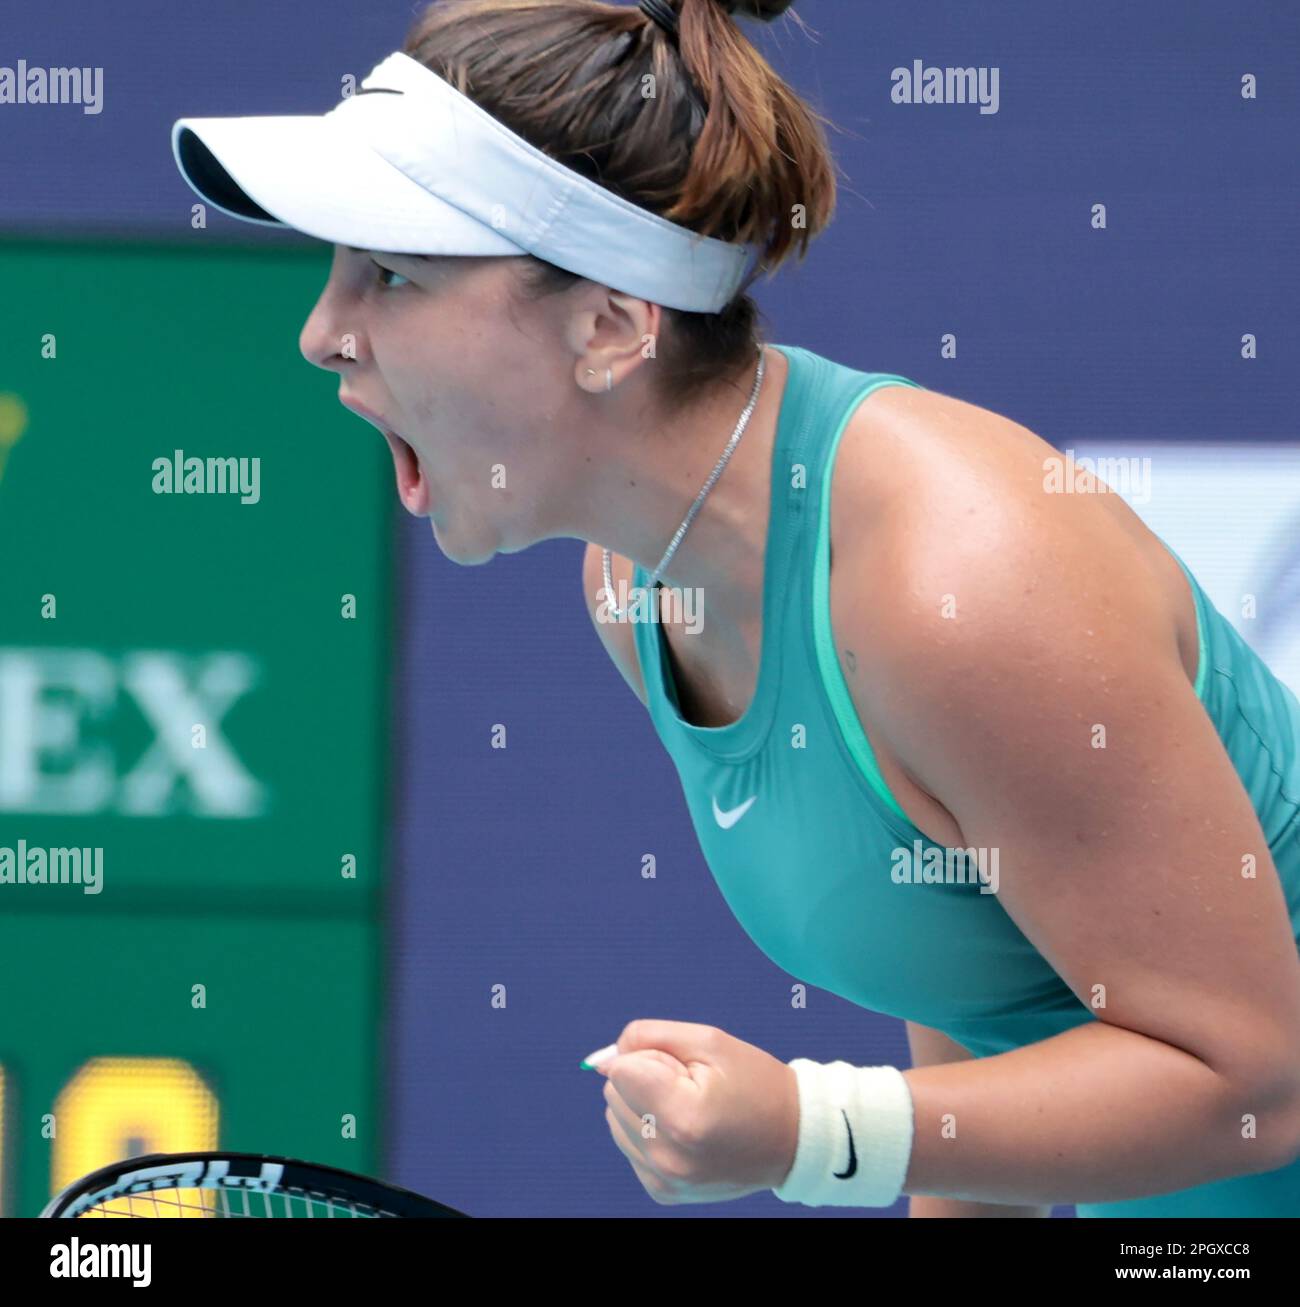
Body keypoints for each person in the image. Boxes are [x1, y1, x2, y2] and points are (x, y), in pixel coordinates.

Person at [171, 0, 1300, 1215]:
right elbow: (973, 972)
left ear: (608, 327)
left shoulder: (956, 588)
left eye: (391, 272)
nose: (321, 333)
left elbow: (1252, 1082)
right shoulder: (635, 584)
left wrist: (814, 1130)